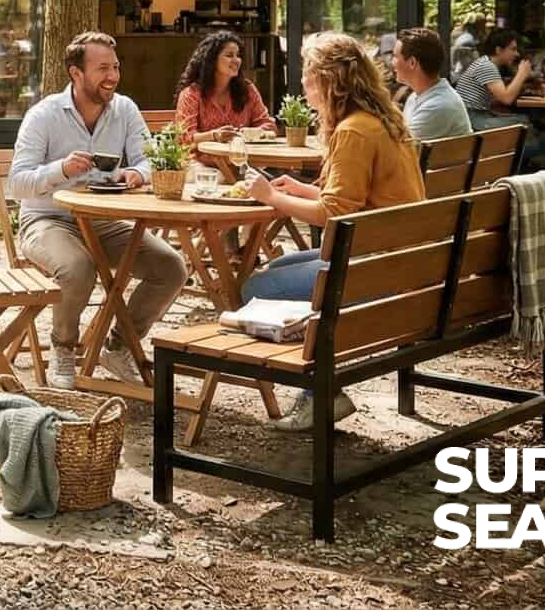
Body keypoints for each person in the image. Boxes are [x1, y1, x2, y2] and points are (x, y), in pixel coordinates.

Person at [240, 31, 427, 430]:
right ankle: (320, 389)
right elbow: (359, 198)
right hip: (400, 256)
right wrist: (302, 189)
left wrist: (270, 197)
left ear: (329, 81)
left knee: (255, 289)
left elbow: (335, 212)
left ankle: (321, 393)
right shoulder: (383, 121)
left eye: (308, 74)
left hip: (373, 267)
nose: (303, 84)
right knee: (278, 268)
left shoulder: (353, 131)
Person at [5, 31, 183, 391]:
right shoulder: (44, 115)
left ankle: (117, 345)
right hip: (47, 218)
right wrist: (62, 170)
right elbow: (17, 183)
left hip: (102, 221)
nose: (113, 76)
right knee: (76, 267)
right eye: (102, 68)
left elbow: (149, 161)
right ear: (76, 73)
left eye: (115, 67)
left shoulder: (125, 109)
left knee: (171, 268)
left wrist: (135, 174)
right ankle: (64, 349)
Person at [172, 32, 276, 145]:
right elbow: (184, 138)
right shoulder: (191, 94)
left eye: (238, 55)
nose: (236, 60)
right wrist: (215, 135)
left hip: (240, 158)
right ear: (211, 60)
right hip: (201, 160)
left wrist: (251, 132)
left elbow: (268, 126)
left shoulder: (248, 90)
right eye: (229, 55)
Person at [392, 27, 473, 141]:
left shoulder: (437, 106)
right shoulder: (418, 96)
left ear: (412, 63)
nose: (392, 63)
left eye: (395, 56)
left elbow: (398, 148)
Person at [454, 27, 534, 128]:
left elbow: (498, 99)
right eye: (513, 49)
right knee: (523, 123)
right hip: (472, 119)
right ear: (499, 50)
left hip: (473, 116)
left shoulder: (486, 62)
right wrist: (521, 74)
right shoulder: (487, 66)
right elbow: (507, 99)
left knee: (520, 119)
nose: (516, 54)